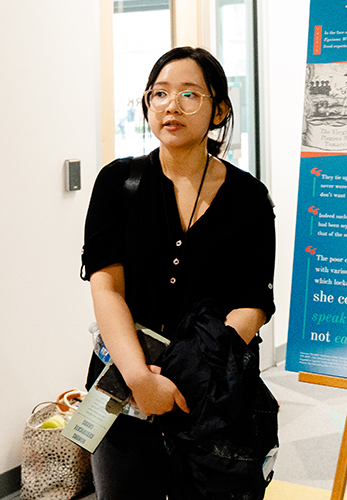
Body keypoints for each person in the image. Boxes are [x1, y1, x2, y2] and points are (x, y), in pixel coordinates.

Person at [81, 46, 276, 500]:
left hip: (211, 395)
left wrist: (189, 376)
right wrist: (141, 379)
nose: (172, 106)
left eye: (190, 94)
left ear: (219, 109)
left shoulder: (248, 197)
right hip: (125, 385)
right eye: (160, 94)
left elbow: (253, 304)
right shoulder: (118, 183)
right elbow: (106, 286)